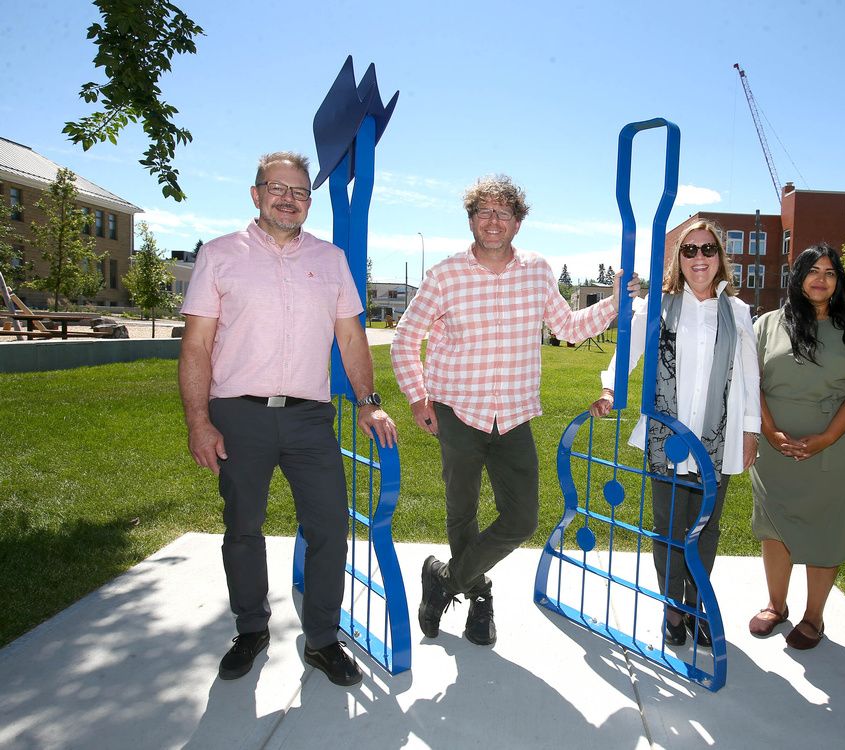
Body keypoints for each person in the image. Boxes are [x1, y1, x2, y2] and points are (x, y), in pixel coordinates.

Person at [390, 174, 638, 646]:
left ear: (518, 222)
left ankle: (444, 580)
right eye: (483, 212)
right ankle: (479, 598)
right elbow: (406, 338)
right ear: (471, 219)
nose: (493, 221)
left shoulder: (538, 270)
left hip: (515, 414)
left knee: (521, 518)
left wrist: (613, 303)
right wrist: (419, 398)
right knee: (460, 513)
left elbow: (567, 325)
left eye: (503, 213)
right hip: (457, 408)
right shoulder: (445, 275)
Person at [179, 151, 397, 686]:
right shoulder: (220, 255)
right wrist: (198, 422)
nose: (289, 198)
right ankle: (251, 629)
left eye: (300, 192)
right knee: (243, 528)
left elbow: (351, 337)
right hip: (238, 416)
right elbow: (198, 345)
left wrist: (367, 399)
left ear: (308, 202)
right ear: (256, 194)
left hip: (308, 419)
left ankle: (321, 639)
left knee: (329, 526)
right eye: (278, 188)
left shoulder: (331, 259)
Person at [590, 220, 760, 647]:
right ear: (678, 259)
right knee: (669, 526)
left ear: (720, 256)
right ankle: (672, 607)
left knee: (706, 527)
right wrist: (610, 388)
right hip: (667, 434)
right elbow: (628, 350)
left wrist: (750, 429)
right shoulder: (659, 305)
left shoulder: (738, 312)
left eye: (707, 249)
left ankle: (697, 603)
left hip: (717, 436)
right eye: (689, 250)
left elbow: (749, 377)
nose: (699, 258)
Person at [748, 244, 845, 649]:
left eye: (830, 273)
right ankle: (776, 605)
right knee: (774, 527)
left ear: (838, 282)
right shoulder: (768, 325)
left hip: (832, 449)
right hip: (774, 450)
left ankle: (814, 617)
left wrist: (825, 438)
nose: (821, 279)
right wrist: (769, 432)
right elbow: (751, 383)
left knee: (827, 529)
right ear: (798, 276)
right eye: (812, 271)